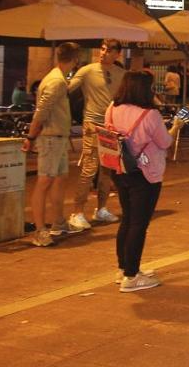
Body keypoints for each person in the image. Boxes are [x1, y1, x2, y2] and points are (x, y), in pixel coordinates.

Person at [106, 70, 172, 292]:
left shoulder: (112, 108)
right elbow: (165, 142)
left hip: (121, 169)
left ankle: (124, 268)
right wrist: (177, 126)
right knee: (138, 224)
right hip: (146, 174)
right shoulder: (150, 115)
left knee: (127, 219)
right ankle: (131, 277)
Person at [22, 42, 80, 247]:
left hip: (58, 137)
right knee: (44, 181)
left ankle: (58, 222)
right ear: (75, 60)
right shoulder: (56, 82)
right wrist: (30, 137)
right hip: (51, 138)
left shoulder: (57, 79)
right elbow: (42, 111)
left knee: (59, 178)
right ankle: (40, 230)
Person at [67, 39, 124, 232]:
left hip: (110, 126)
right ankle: (77, 212)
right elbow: (68, 88)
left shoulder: (120, 74)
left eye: (109, 50)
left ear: (117, 54)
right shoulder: (87, 71)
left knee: (107, 169)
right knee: (89, 169)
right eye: (102, 49)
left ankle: (101, 208)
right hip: (92, 125)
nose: (104, 53)